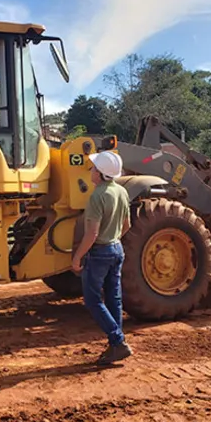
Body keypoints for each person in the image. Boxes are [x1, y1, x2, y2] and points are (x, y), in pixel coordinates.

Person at [72, 150, 133, 365]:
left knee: (93, 300)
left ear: (100, 173)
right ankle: (115, 345)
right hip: (116, 250)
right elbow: (127, 225)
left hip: (99, 253)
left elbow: (92, 234)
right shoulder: (121, 192)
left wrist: (77, 257)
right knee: (113, 298)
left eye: (94, 168)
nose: (91, 170)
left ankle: (117, 341)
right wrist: (114, 239)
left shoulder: (97, 196)